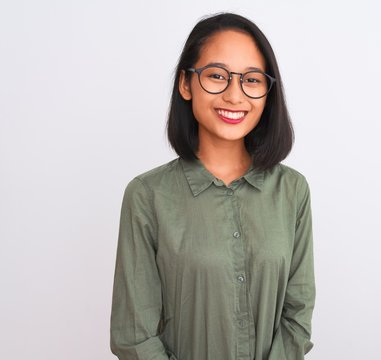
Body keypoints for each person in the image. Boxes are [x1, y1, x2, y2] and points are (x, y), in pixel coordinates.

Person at [110, 12, 316, 360]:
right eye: (217, 76)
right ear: (186, 84)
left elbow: (297, 317)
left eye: (252, 80)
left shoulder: (292, 191)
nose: (235, 96)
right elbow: (134, 336)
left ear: (268, 91)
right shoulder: (147, 196)